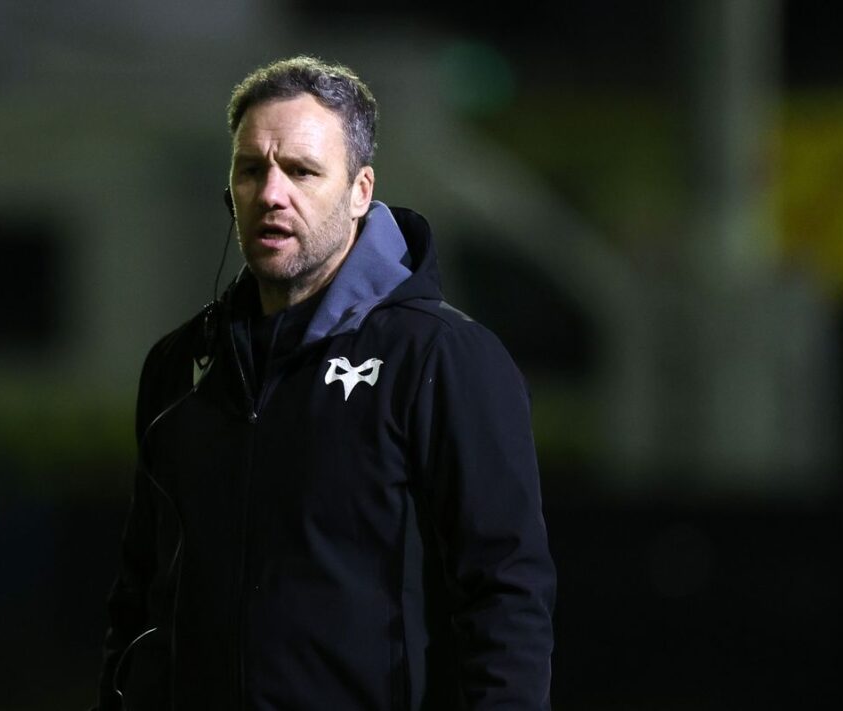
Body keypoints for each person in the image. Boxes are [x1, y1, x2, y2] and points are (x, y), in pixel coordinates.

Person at [93, 55, 556, 711]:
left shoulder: (443, 357)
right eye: (251, 170)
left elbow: (506, 593)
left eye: (302, 171)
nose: (271, 194)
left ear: (360, 191)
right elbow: (138, 594)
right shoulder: (179, 366)